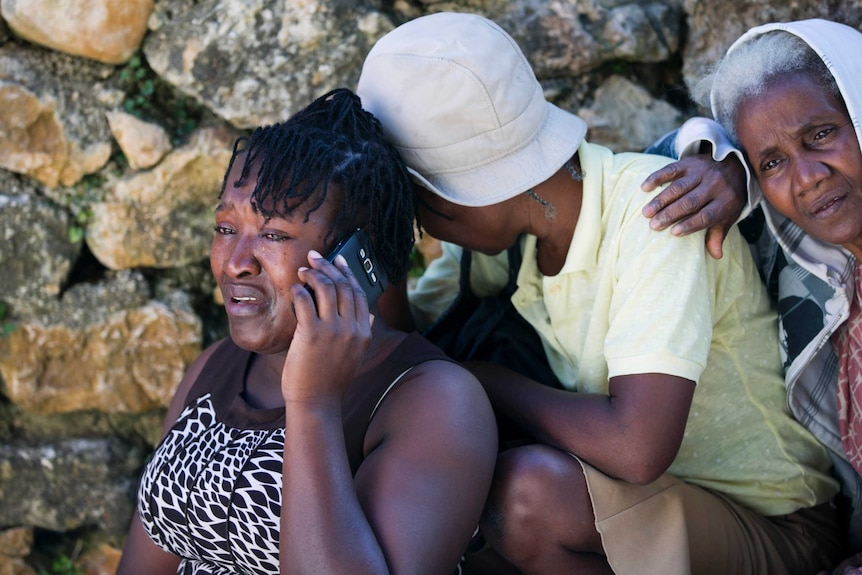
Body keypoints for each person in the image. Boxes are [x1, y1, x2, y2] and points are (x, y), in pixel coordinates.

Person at [356, 11, 843, 575]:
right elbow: (406, 349)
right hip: (656, 502)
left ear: (465, 199)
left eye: (419, 210)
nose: (426, 229)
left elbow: (637, 447)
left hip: (778, 524)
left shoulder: (655, 213)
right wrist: (379, 251)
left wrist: (481, 382)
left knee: (523, 498)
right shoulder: (507, 241)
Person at [114, 88, 498, 575]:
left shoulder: (436, 402)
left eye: (274, 235)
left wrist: (313, 404)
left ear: (360, 259)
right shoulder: (215, 366)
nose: (235, 264)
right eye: (227, 227)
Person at [634, 18, 862, 573]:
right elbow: (644, 166)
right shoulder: (805, 260)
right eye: (773, 163)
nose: (806, 178)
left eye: (822, 135)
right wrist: (723, 164)